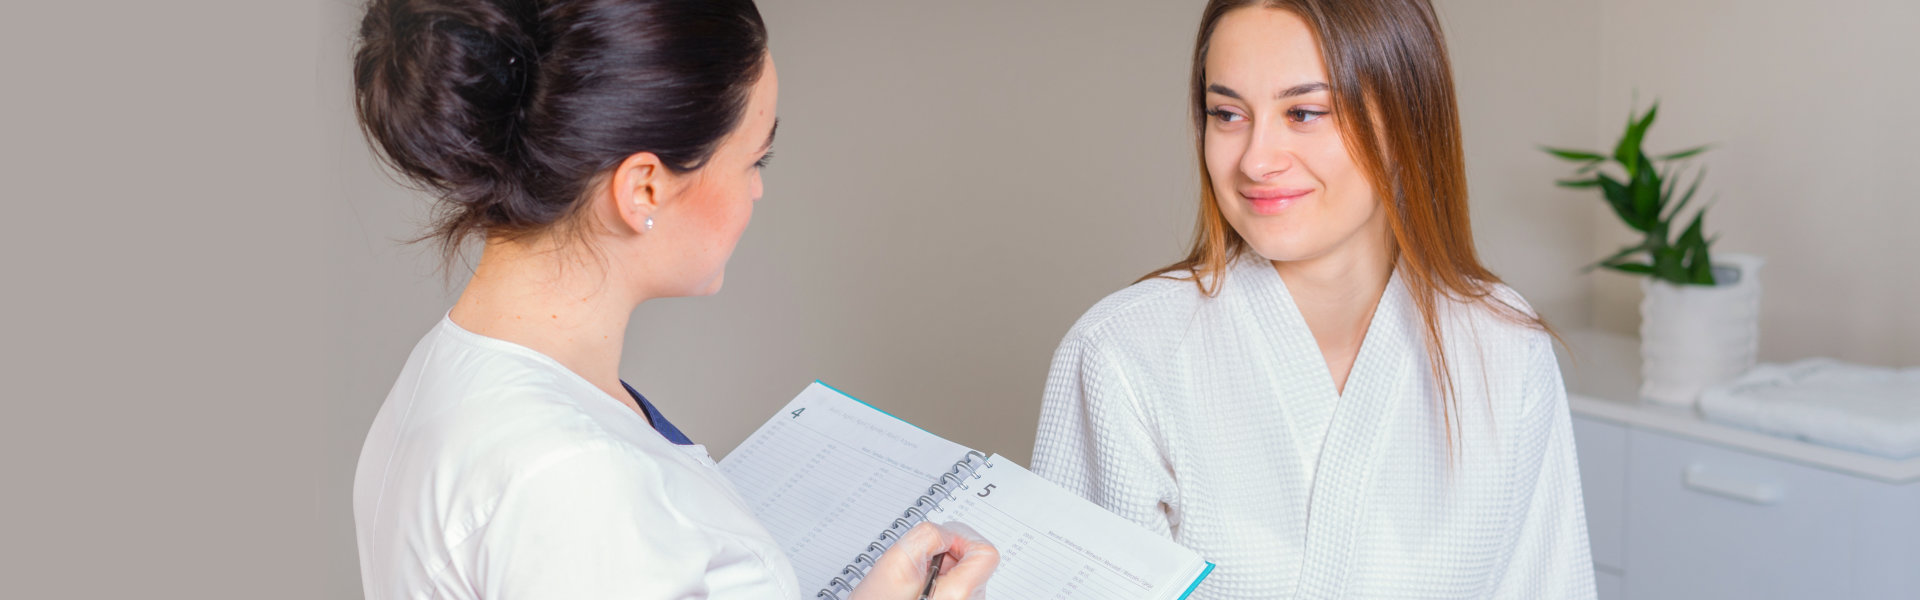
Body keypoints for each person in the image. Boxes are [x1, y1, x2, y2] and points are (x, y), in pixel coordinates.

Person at [348, 0, 997, 597]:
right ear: (646, 190)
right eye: (753, 161)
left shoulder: (453, 372)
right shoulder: (573, 479)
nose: (757, 193)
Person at [1031, 0, 1595, 598]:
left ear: (1408, 122)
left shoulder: (1502, 344)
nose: (1255, 159)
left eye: (1303, 112)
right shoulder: (1123, 352)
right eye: (1227, 114)